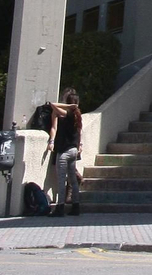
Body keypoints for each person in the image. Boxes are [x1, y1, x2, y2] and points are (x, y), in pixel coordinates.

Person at [44, 88, 83, 217]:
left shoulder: (69, 114)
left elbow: (52, 104)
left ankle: (60, 208)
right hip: (73, 150)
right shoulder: (77, 115)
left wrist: (69, 106)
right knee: (72, 179)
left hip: (64, 151)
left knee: (61, 180)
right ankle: (76, 207)